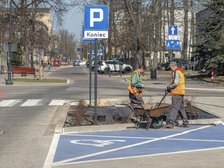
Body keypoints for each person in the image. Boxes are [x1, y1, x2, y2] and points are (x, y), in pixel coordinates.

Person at [165, 61, 189, 128]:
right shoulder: (180, 72)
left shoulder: (176, 72)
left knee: (174, 107)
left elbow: (175, 83)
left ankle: (171, 122)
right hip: (181, 93)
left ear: (173, 66)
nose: (170, 69)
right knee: (181, 108)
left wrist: (168, 87)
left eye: (170, 68)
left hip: (176, 93)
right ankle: (185, 122)